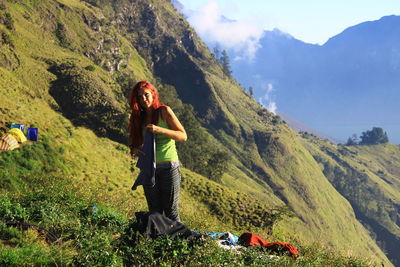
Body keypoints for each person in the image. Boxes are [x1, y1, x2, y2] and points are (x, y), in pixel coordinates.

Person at [128, 81, 187, 222]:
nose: (143, 99)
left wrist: (159, 130)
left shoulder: (164, 111)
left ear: (153, 94)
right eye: (140, 97)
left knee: (171, 211)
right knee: (154, 212)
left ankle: (179, 242)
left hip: (168, 167)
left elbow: (183, 135)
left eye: (146, 95)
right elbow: (135, 143)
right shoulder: (138, 117)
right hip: (149, 169)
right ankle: (158, 242)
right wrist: (135, 149)